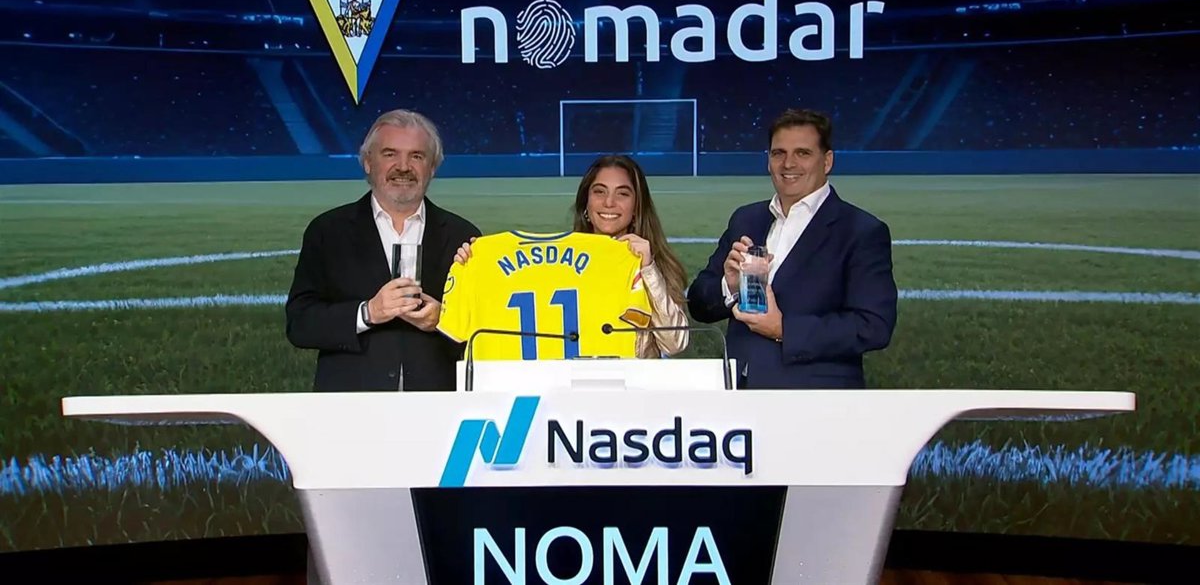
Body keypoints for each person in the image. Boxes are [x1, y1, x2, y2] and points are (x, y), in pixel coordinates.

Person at [687, 108, 897, 389]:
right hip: (739, 395)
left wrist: (784, 329)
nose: (788, 163)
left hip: (815, 399)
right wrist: (729, 286)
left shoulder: (861, 230)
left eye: (803, 153)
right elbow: (699, 304)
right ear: (768, 160)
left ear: (827, 161)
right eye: (779, 153)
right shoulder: (746, 219)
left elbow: (874, 326)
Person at [285, 109, 480, 392]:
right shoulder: (328, 231)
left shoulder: (463, 235)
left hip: (438, 404)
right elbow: (300, 324)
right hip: (352, 404)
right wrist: (368, 312)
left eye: (417, 156)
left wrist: (445, 320)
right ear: (367, 162)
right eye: (390, 154)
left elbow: (484, 332)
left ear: (432, 167)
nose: (403, 166)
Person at [454, 154, 690, 358]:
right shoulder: (557, 263)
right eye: (599, 192)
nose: (609, 202)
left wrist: (648, 269)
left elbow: (675, 343)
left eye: (623, 194)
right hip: (567, 386)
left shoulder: (650, 264)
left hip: (630, 389)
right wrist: (475, 263)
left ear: (637, 206)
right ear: (586, 202)